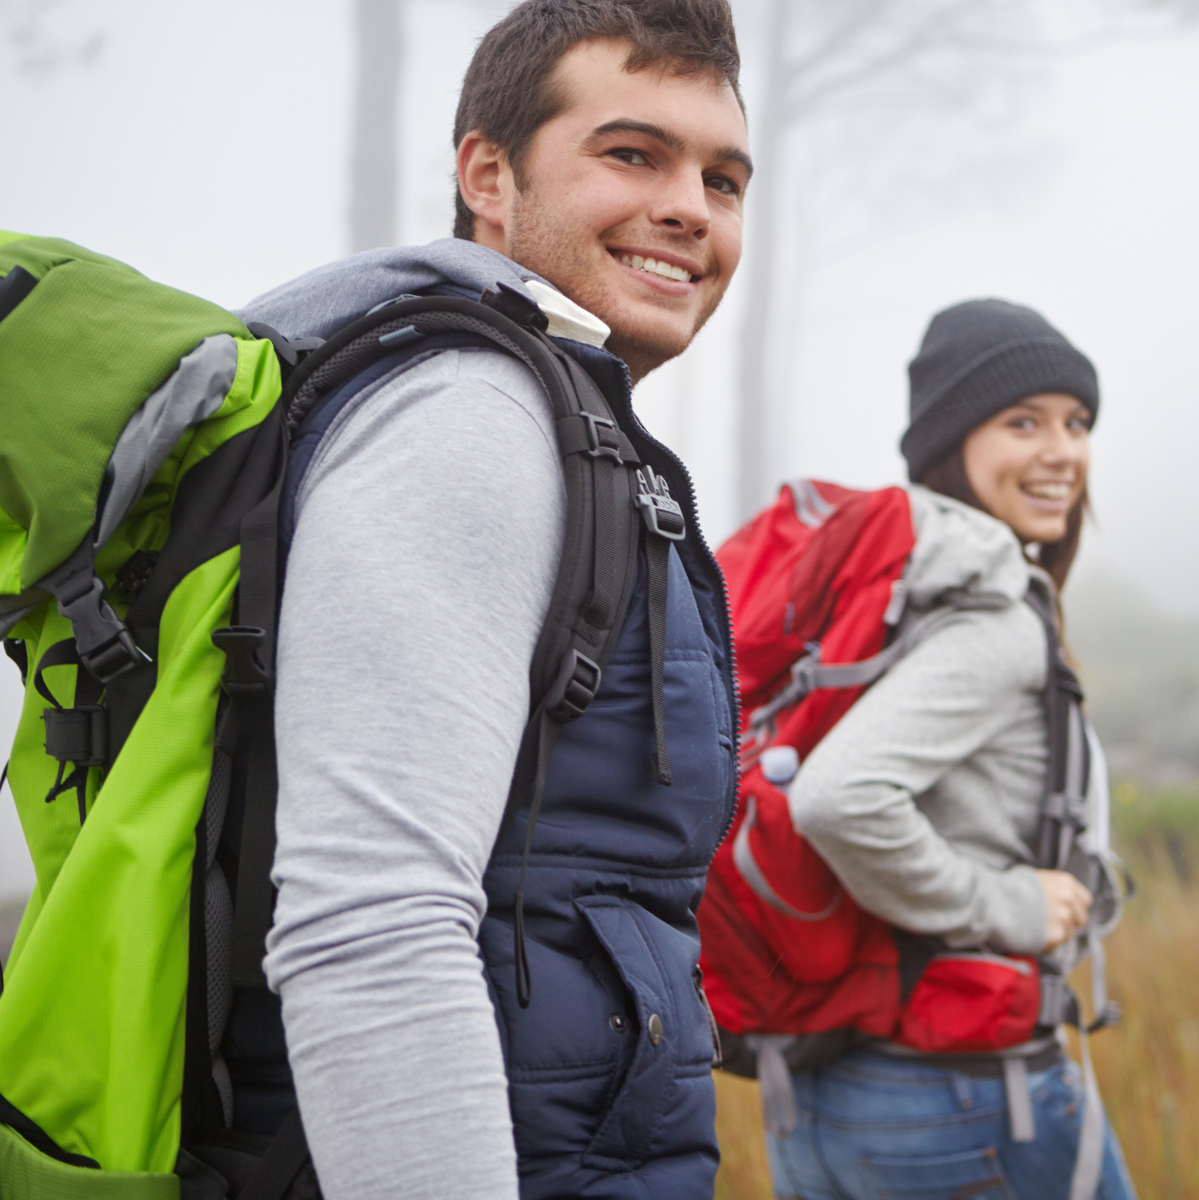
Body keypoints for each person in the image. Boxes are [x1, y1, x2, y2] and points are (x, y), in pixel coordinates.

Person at [236, 2, 750, 1198]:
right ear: (486, 174)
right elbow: (372, 925)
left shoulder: (552, 414)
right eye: (633, 154)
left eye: (723, 178)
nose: (691, 206)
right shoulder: (474, 415)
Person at [765, 299, 1138, 1200]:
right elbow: (837, 797)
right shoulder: (992, 616)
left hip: (818, 1096)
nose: (1064, 452)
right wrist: (1002, 904)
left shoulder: (893, 601)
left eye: (1076, 422)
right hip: (968, 1097)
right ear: (950, 441)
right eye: (1023, 422)